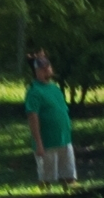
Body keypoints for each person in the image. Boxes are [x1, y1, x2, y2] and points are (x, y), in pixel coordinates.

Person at [24, 52, 81, 188]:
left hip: (64, 140)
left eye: (48, 67)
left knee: (69, 177)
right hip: (47, 143)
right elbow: (33, 117)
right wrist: (38, 143)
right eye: (42, 68)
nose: (46, 70)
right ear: (36, 71)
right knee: (46, 178)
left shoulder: (55, 88)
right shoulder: (34, 91)